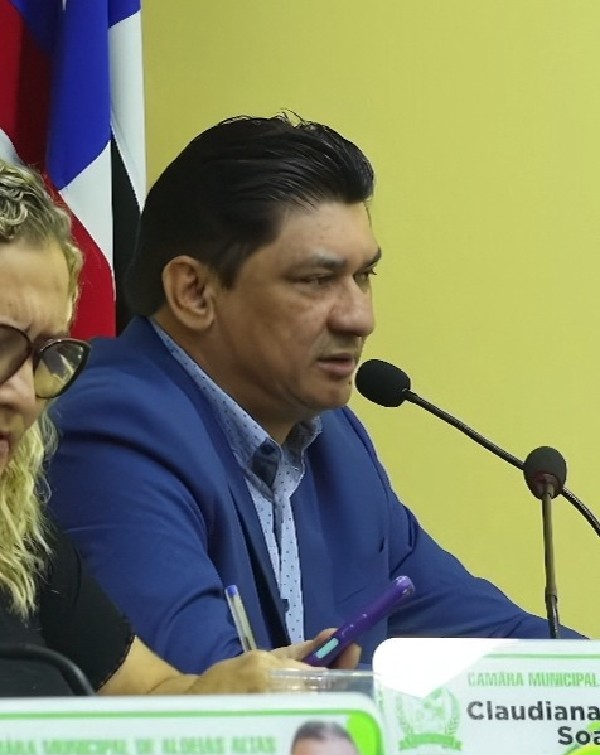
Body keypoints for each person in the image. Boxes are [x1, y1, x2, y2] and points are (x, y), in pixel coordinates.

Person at [47, 114, 582, 677]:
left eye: (364, 277)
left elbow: (497, 642)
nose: (360, 317)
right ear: (195, 291)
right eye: (317, 280)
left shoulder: (333, 441)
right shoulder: (110, 430)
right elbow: (206, 700)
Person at [0, 157, 357, 697]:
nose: (25, 394)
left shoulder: (19, 531)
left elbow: (148, 693)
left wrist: (229, 695)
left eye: (47, 355)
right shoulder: (123, 424)